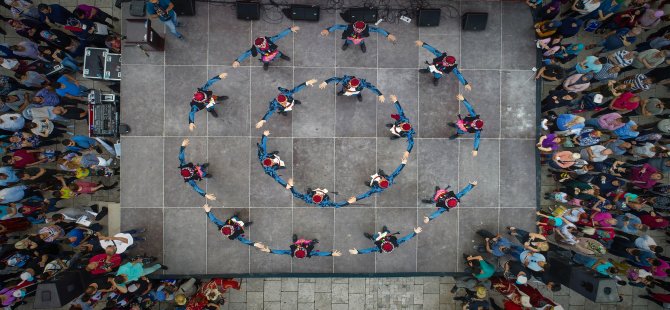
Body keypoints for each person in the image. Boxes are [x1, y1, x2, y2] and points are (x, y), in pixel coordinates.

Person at [232, 26, 299, 70]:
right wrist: (238, 61)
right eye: (261, 46)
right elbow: (246, 54)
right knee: (265, 61)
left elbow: (279, 35)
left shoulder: (270, 40)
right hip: (265, 56)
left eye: (264, 43)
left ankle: (283, 56)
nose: (263, 46)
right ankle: (266, 64)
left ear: (265, 40)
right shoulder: (256, 48)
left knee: (279, 54)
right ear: (257, 46)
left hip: (274, 52)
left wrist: (290, 30)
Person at [321, 21, 396, 53]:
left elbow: (378, 30)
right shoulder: (348, 27)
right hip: (350, 38)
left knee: (361, 42)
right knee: (348, 41)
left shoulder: (368, 29)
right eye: (356, 29)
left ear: (364, 28)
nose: (358, 30)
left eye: (360, 30)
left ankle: (362, 45)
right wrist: (328, 30)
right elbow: (337, 26)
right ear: (353, 26)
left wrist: (388, 35)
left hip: (360, 39)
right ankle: (346, 44)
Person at [349, 226, 422, 255]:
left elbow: (369, 250)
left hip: (379, 239)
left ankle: (371, 237)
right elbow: (406, 239)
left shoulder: (378, 248)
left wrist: (358, 252)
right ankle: (385, 231)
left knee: (375, 237)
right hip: (386, 237)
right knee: (386, 233)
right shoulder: (395, 242)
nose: (384, 241)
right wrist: (415, 233)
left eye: (383, 243)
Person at [259, 234, 342, 258]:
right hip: (306, 248)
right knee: (310, 244)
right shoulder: (309, 252)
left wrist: (270, 251)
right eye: (300, 248)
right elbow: (320, 254)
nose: (300, 247)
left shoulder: (292, 251)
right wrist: (331, 254)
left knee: (297, 242)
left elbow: (281, 252)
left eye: (299, 248)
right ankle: (312, 243)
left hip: (300, 247)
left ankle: (295, 241)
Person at [319, 75, 384, 102]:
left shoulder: (362, 84)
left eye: (353, 85)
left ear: (358, 85)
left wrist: (380, 94)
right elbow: (335, 79)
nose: (350, 85)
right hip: (346, 90)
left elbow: (372, 87)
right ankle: (342, 92)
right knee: (343, 91)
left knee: (358, 93)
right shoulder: (346, 81)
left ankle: (358, 95)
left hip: (356, 91)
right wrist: (326, 82)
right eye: (350, 83)